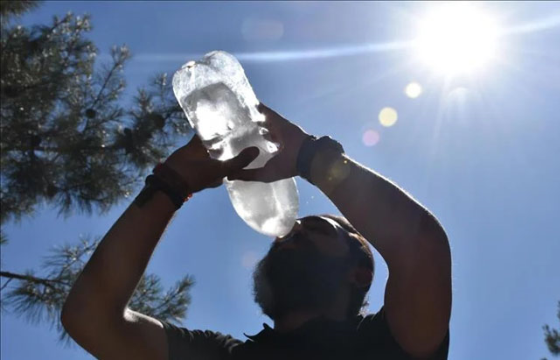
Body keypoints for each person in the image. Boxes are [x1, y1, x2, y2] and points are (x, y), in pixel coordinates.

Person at [61, 104, 452, 360]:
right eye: (293, 228)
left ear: (360, 273)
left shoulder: (389, 345)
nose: (290, 231)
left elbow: (421, 247)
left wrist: (309, 157)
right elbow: (91, 318)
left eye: (317, 228)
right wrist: (171, 183)